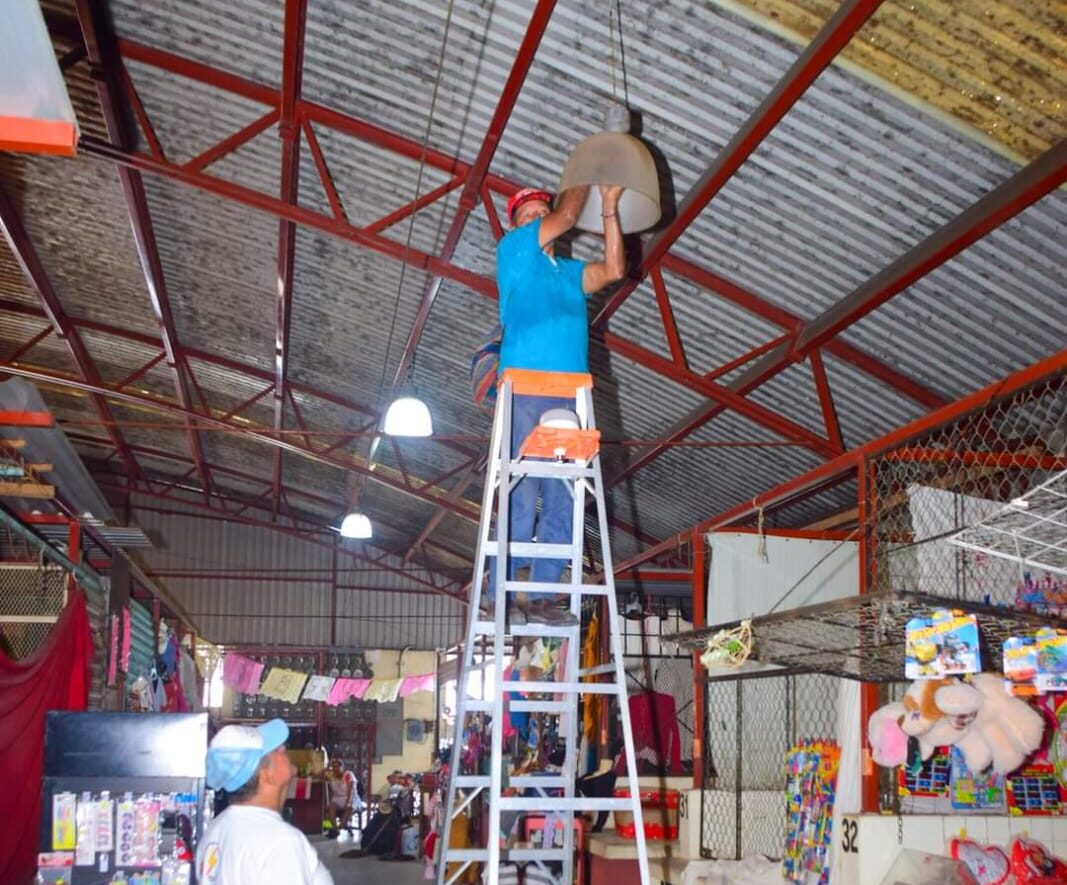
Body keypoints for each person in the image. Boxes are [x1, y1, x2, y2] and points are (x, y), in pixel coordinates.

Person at [491, 182, 625, 626]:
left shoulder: (568, 274)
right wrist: (587, 172)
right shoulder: (514, 252)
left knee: (565, 495)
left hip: (571, 391)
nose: (535, 220)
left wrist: (608, 206)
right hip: (523, 386)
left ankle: (543, 596)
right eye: (527, 215)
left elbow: (614, 269)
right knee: (522, 493)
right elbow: (566, 217)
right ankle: (503, 595)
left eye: (539, 212)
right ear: (517, 226)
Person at [197, 719, 334, 885]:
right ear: (266, 774)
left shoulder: (216, 829)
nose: (284, 748)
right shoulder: (279, 842)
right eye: (277, 749)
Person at [322, 757, 361, 831]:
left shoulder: (348, 774)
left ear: (342, 767)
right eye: (334, 767)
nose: (335, 768)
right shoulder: (331, 775)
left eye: (337, 766)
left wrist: (348, 803)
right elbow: (320, 776)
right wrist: (327, 766)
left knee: (349, 808)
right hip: (337, 798)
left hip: (351, 798)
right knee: (331, 807)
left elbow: (350, 790)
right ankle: (334, 828)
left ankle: (341, 827)